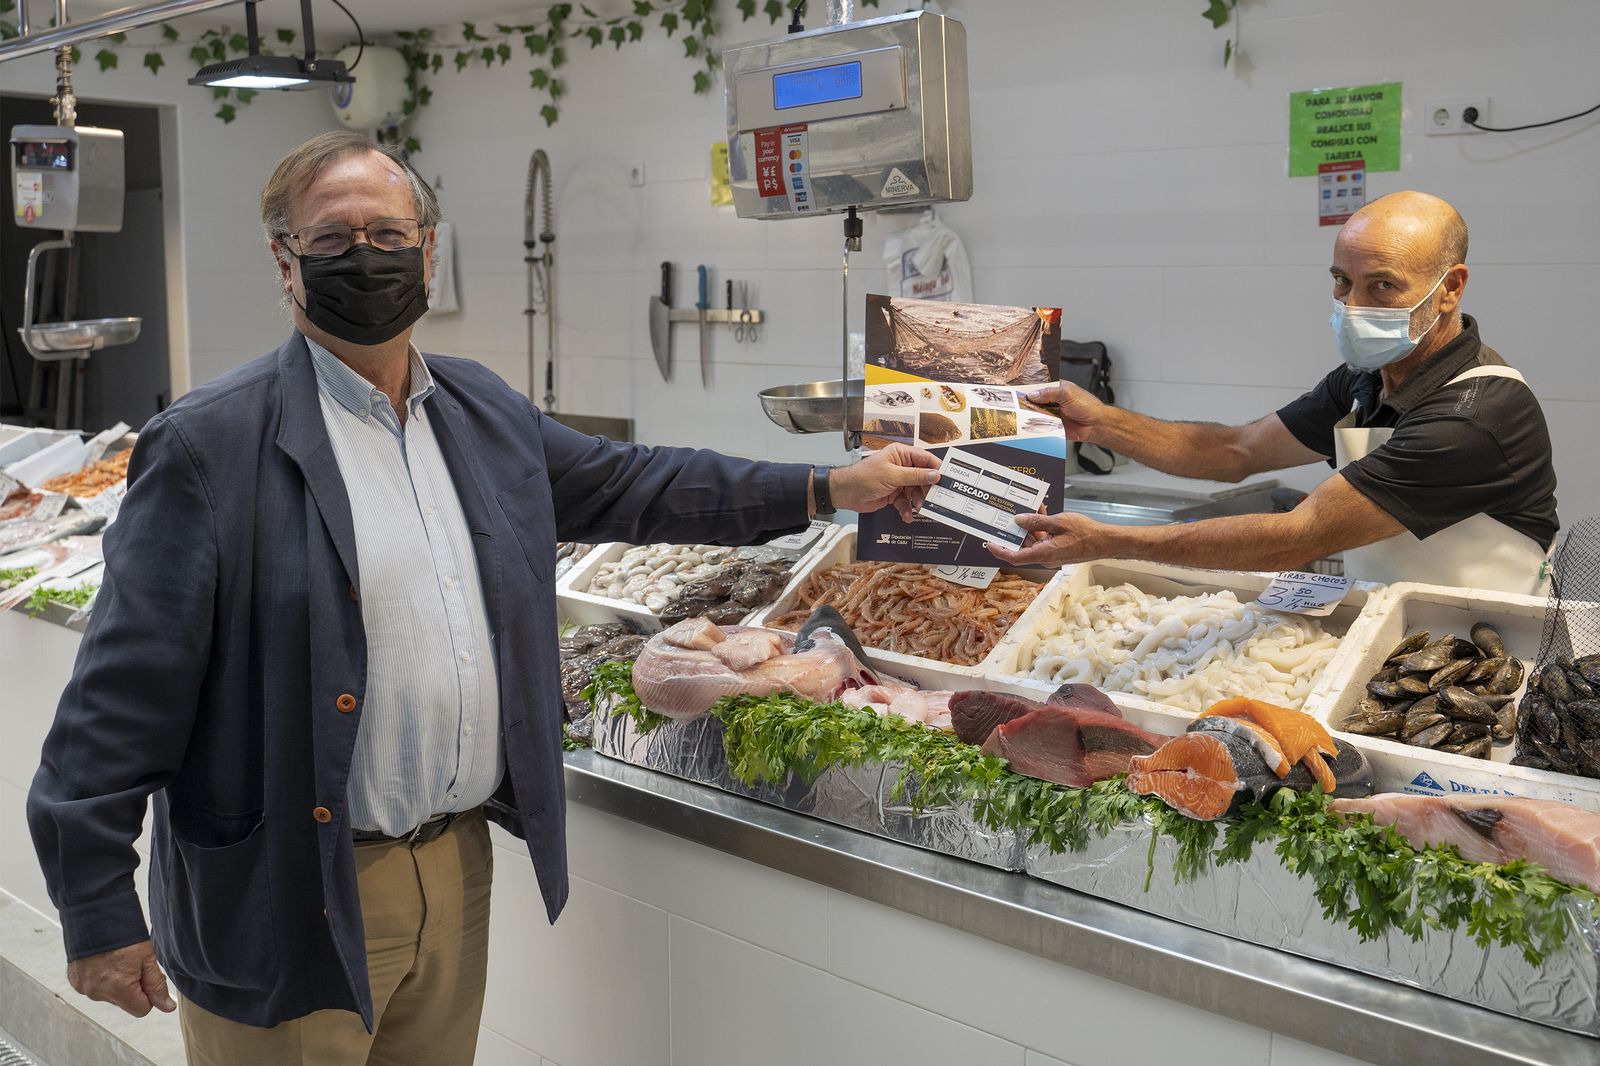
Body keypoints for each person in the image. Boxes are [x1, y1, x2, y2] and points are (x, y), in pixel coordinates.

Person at [26, 130, 941, 1065]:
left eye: (389, 234)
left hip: (452, 868)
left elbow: (641, 484)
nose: (366, 258)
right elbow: (118, 701)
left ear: (429, 249)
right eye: (333, 241)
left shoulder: (480, 410)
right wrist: (98, 910)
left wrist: (831, 489)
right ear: (286, 261)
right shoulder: (206, 447)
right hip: (288, 890)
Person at [988, 191, 1558, 595]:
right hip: (1389, 619)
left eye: (1382, 286)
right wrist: (1101, 423)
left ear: (1450, 288)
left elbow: (1297, 537)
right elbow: (1236, 451)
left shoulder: (1474, 415)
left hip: (1482, 648)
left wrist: (1107, 542)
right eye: (1342, 281)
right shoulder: (1366, 379)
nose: (1353, 306)